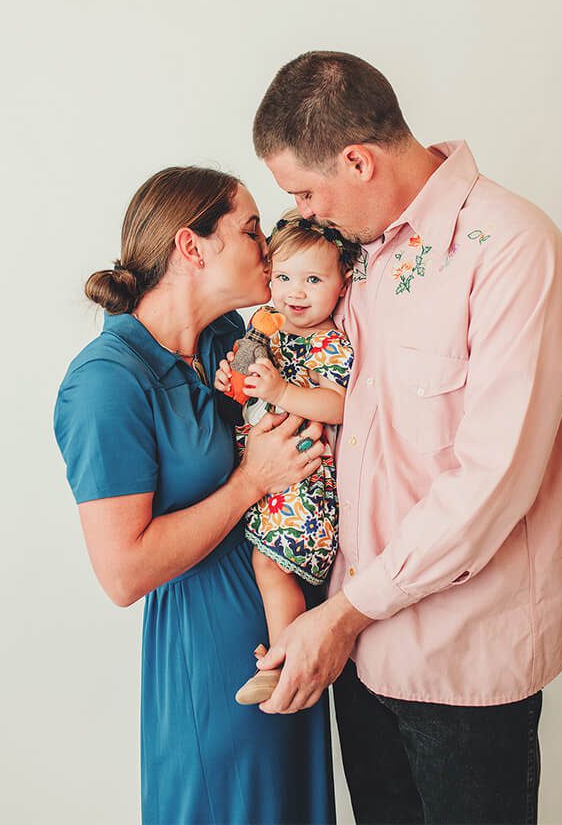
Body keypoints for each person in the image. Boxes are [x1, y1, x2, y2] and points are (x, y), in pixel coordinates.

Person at [250, 50, 562, 823]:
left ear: (358, 160)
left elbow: (492, 479)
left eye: (304, 190)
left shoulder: (511, 248)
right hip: (361, 653)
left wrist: (341, 614)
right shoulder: (359, 258)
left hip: (459, 660)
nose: (301, 213)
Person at [55, 166, 334, 823]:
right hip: (208, 662)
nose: (268, 246)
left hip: (284, 638)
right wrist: (251, 482)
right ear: (191, 246)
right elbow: (123, 574)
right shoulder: (106, 385)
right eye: (250, 229)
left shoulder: (225, 342)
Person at [213, 211, 358, 706]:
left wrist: (282, 389)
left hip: (305, 484)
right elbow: (253, 395)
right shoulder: (271, 334)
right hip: (275, 484)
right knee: (267, 566)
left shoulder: (330, 343)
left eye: (313, 279)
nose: (295, 292)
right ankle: (284, 654)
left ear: (342, 283)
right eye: (283, 278)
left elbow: (339, 404)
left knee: (271, 566)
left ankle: (285, 657)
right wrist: (234, 384)